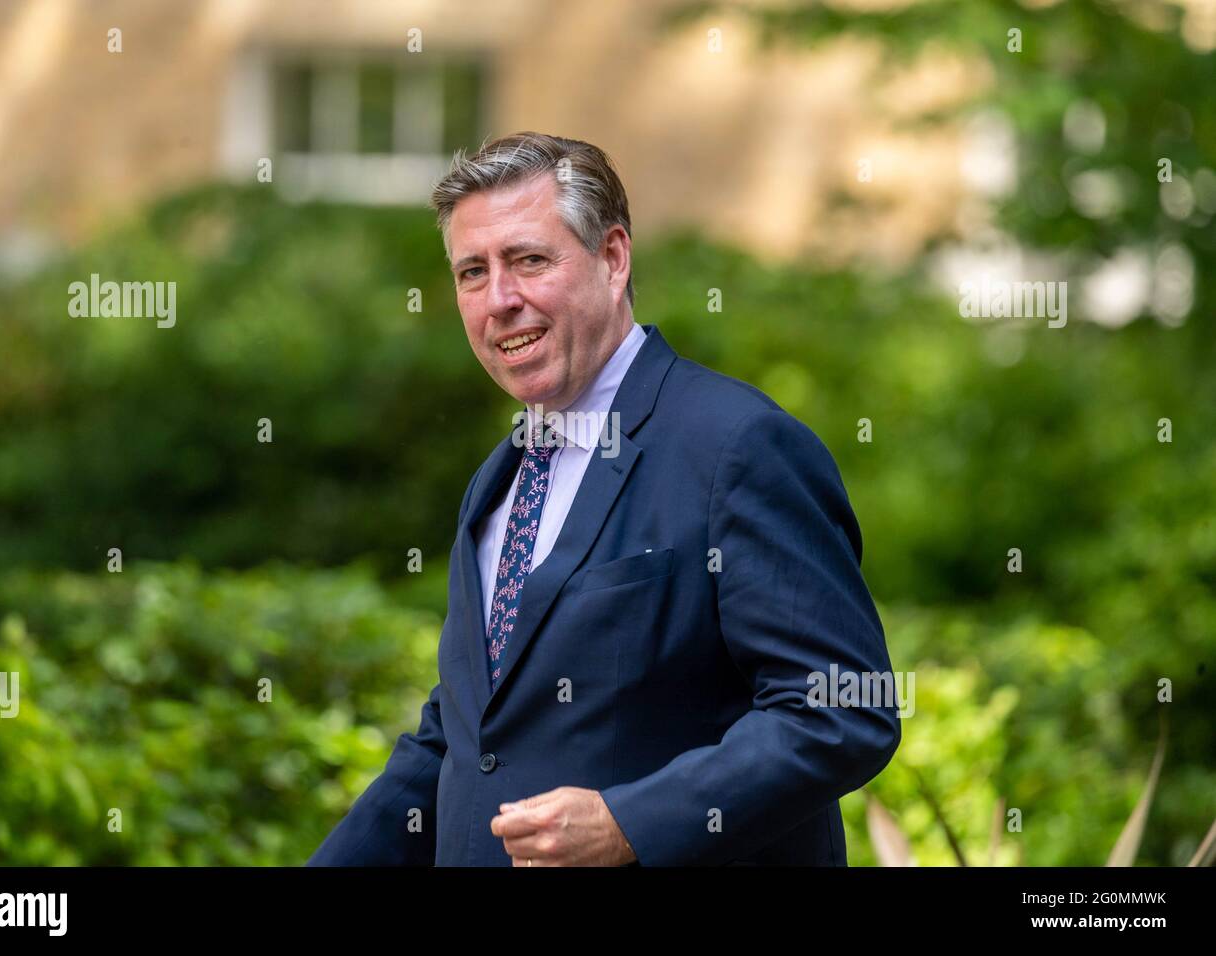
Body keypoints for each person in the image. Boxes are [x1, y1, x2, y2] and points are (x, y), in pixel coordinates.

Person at [307, 131, 901, 866]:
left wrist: (631, 823)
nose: (501, 300)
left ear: (613, 258)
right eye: (472, 272)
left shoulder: (737, 446)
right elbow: (464, 735)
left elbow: (843, 709)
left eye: (529, 260)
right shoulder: (500, 479)